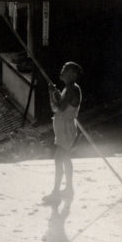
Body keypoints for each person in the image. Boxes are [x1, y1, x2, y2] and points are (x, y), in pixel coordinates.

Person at [43, 61, 82, 203]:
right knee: (65, 159)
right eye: (63, 68)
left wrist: (50, 93)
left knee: (59, 159)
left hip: (66, 129)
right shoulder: (69, 88)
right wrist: (55, 93)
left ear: (73, 74)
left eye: (66, 69)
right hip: (65, 128)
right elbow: (62, 103)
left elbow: (57, 109)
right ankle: (69, 189)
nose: (62, 70)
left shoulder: (72, 89)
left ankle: (56, 192)